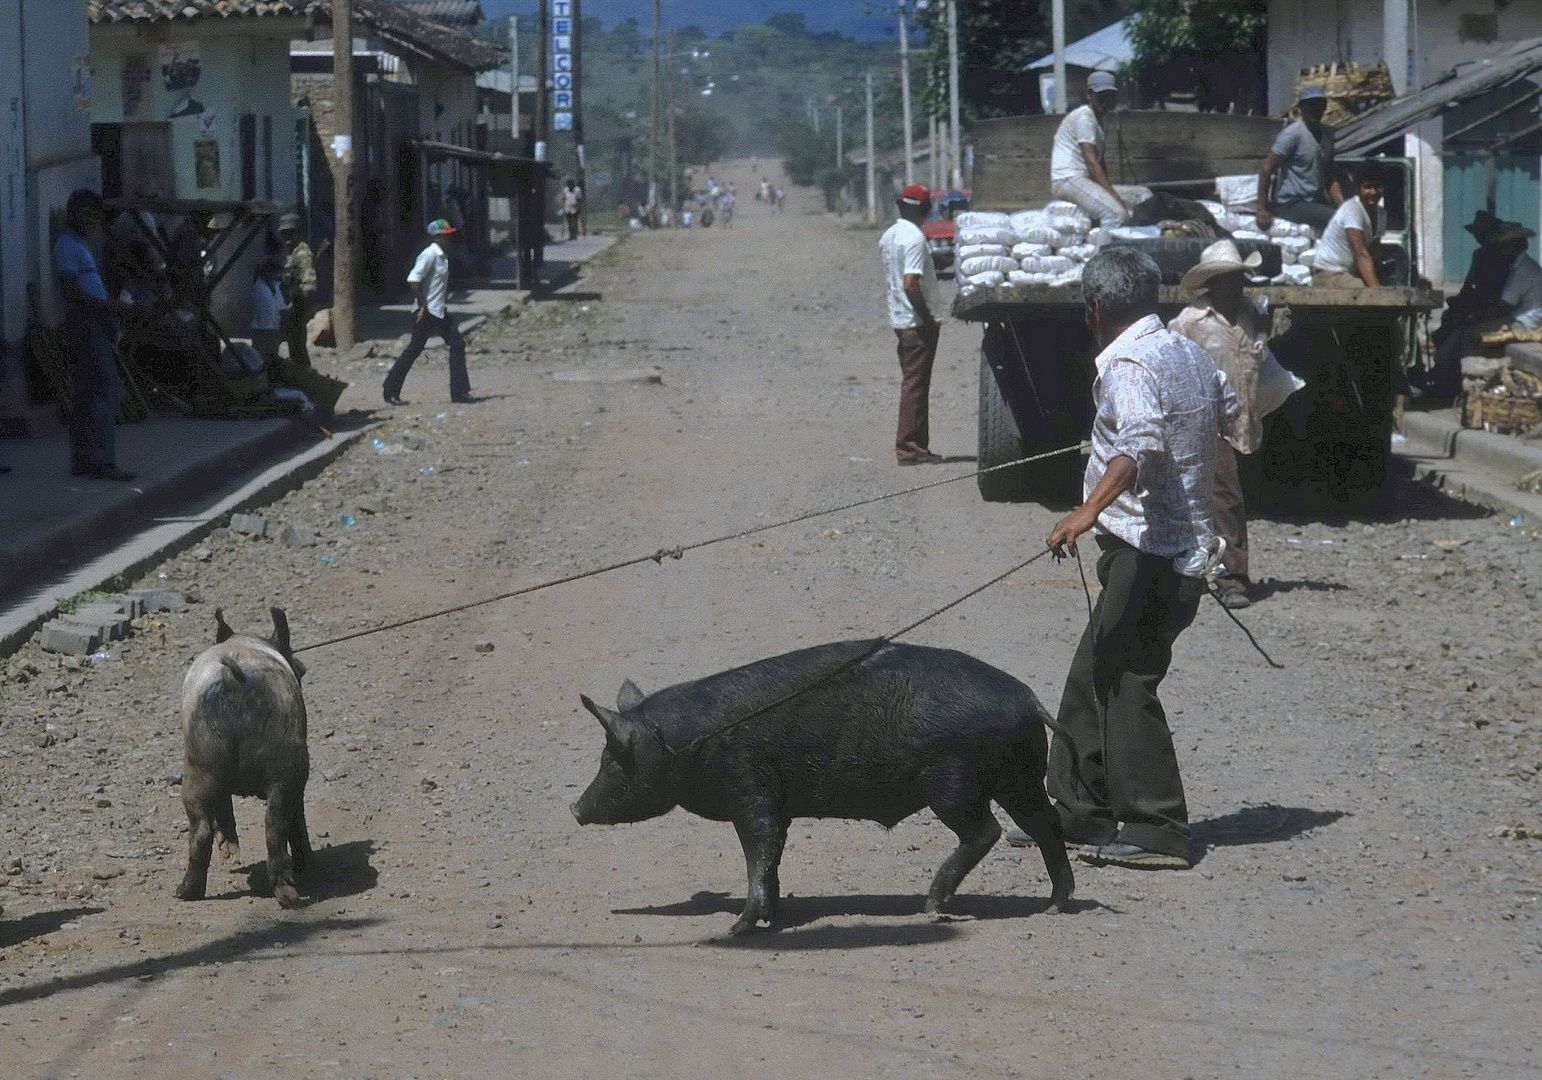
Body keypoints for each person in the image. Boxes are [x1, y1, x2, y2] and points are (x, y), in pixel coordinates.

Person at [1040, 247, 1241, 870]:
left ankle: (1158, 826)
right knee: (1091, 674)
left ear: (1096, 308)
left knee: (1126, 678)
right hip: (1185, 547)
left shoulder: (1128, 362)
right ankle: (1079, 813)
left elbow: (1140, 446)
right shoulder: (1188, 351)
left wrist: (1086, 511)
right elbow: (1231, 416)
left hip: (1149, 551)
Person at [1169, 240, 1286, 609]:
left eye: (1241, 280)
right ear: (1213, 283)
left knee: (1216, 500)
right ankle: (1232, 580)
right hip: (1205, 424)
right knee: (1227, 498)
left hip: (1244, 423)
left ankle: (1192, 567)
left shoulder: (1251, 318)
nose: (1238, 287)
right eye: (1230, 280)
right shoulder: (1189, 323)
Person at [55, 189, 136, 481]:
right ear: (77, 214)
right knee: (105, 388)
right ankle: (101, 460)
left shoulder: (80, 245)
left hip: (93, 322)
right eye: (89, 215)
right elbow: (71, 290)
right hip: (85, 322)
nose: (93, 222)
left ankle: (85, 458)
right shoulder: (67, 244)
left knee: (87, 392)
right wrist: (110, 306)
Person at [1419, 217, 1542, 401]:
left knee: (1467, 333)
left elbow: (1502, 308)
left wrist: (1475, 318)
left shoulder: (1523, 270)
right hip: (1517, 317)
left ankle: (1445, 379)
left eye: (1504, 245)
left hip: (1525, 323)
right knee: (1459, 325)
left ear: (1514, 245)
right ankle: (1443, 375)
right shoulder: (1519, 265)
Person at [879, 183, 945, 465]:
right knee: (915, 384)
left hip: (899, 318)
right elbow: (910, 283)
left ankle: (917, 444)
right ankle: (907, 446)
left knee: (915, 382)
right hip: (915, 321)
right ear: (926, 210)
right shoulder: (915, 238)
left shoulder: (889, 235)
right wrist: (927, 317)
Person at [382, 219, 471, 406]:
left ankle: (460, 392)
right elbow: (413, 279)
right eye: (446, 235)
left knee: (457, 343)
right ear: (438, 237)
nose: (450, 238)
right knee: (414, 350)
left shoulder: (443, 255)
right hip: (427, 312)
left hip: (439, 311)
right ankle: (390, 389)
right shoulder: (429, 255)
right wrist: (422, 304)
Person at [1256, 84, 1342, 235]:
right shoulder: (1293, 135)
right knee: (1336, 219)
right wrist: (1262, 208)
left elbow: (1329, 176)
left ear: (1324, 107)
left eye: (1318, 105)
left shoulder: (1328, 135)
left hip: (1314, 201)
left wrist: (1342, 205)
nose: (1314, 110)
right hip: (1291, 203)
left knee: (1348, 216)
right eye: (1309, 106)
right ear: (1300, 109)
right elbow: (1267, 168)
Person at [1050, 70, 1129, 226]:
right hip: (1067, 179)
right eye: (1101, 96)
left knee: (1142, 195)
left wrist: (1109, 190)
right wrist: (1115, 198)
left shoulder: (1102, 119)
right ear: (1089, 95)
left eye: (1109, 95)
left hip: (1083, 180)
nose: (1106, 100)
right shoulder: (1084, 117)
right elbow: (1092, 163)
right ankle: (1107, 251)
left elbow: (1100, 160)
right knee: (1115, 213)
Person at [1311, 168, 1383, 288]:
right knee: (1364, 292)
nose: (1373, 192)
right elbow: (1361, 254)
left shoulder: (1381, 214)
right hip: (1329, 273)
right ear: (1358, 189)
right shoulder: (1352, 209)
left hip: (1347, 273)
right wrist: (1378, 293)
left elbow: (1372, 251)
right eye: (1368, 187)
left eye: (1377, 187)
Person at [278, 213, 316, 371]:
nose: (287, 237)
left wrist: (297, 306)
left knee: (298, 345)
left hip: (298, 306)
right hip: (291, 304)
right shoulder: (291, 251)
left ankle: (304, 374)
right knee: (293, 344)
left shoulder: (302, 253)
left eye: (290, 233)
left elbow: (309, 285)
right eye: (284, 233)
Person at [249, 253, 288, 370]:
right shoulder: (257, 284)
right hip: (259, 329)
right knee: (257, 359)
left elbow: (281, 308)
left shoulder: (276, 287)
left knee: (272, 360)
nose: (273, 274)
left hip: (273, 330)